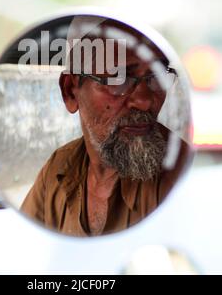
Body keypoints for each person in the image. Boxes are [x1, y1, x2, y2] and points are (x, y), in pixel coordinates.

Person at [21, 17, 190, 236]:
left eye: (157, 76)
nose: (145, 101)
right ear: (71, 91)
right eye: (118, 78)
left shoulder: (180, 177)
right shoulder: (59, 168)